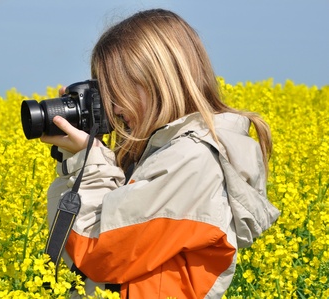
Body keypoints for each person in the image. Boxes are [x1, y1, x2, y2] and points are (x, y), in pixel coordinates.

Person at [41, 8, 280, 299]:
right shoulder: (163, 152)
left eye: (120, 92)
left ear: (157, 82)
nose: (114, 108)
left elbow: (101, 252)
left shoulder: (193, 159)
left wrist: (87, 164)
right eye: (107, 95)